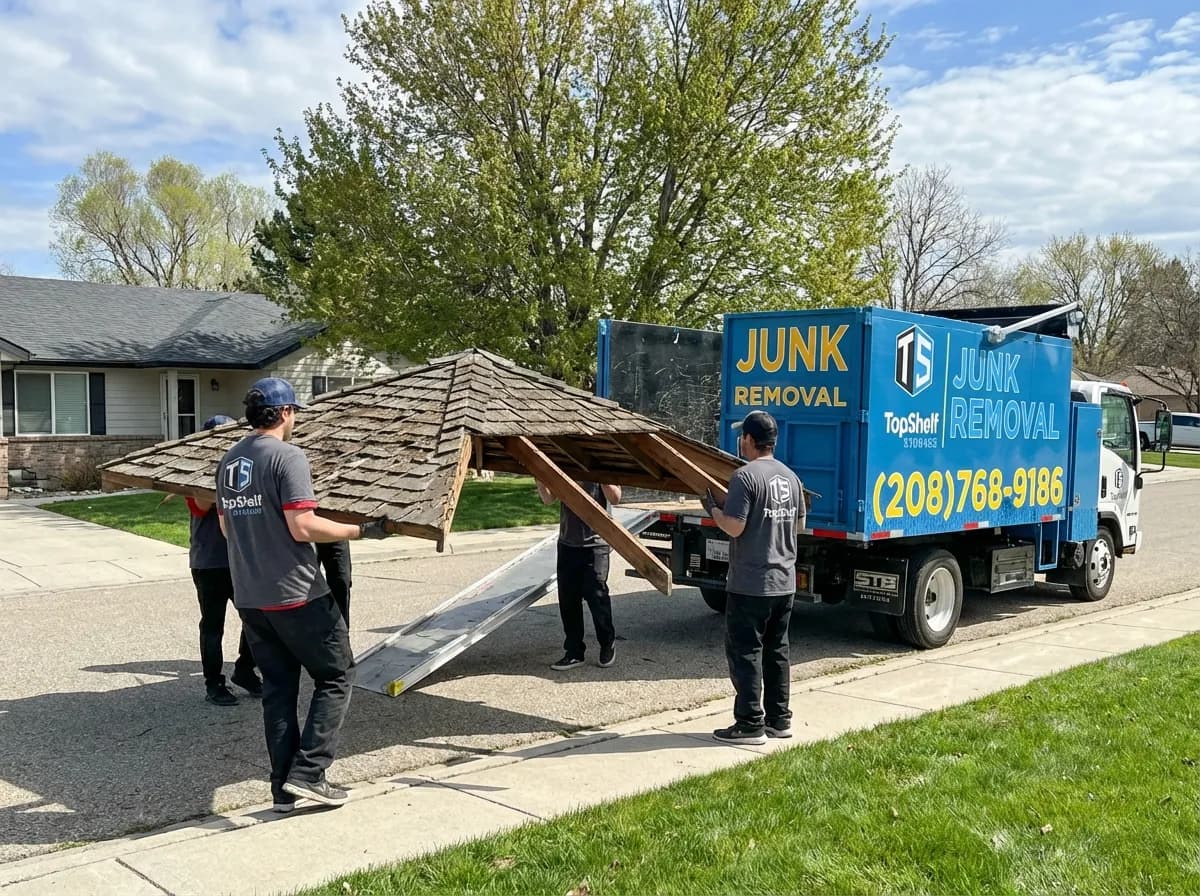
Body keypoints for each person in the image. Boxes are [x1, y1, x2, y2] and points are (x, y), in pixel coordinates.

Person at [216, 377, 389, 812]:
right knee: (337, 674)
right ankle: (310, 772)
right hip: (295, 593)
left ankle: (282, 790)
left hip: (251, 598)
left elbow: (225, 526)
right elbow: (303, 525)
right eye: (295, 412)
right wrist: (361, 530)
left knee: (278, 690)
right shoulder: (287, 457)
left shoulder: (229, 460)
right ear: (286, 413)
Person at [702, 410, 803, 745]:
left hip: (750, 583)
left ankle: (749, 724)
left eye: (741, 437)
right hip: (784, 581)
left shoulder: (744, 478)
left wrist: (714, 510)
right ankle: (779, 719)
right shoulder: (792, 478)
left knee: (746, 652)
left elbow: (735, 526)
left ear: (748, 439)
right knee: (777, 651)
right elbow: (798, 526)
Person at [188, 414, 262, 707]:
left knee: (258, 619)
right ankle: (213, 683)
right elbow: (201, 503)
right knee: (213, 625)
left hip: (240, 560)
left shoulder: (241, 466)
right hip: (209, 561)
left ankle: (244, 669)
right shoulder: (192, 472)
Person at [535, 479, 622, 670]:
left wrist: (603, 480)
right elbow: (548, 499)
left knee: (597, 597)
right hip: (567, 543)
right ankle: (574, 652)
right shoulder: (562, 467)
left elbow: (615, 498)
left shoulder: (598, 461)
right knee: (568, 600)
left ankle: (607, 644)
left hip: (596, 544)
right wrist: (540, 480)